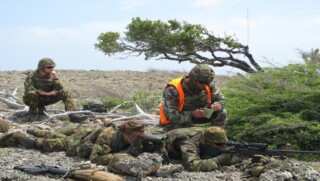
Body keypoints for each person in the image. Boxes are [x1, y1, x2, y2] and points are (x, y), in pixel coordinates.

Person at [0, 120, 145, 166]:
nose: (138, 139)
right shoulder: (108, 136)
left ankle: (34, 130)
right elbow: (94, 158)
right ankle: (19, 136)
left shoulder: (133, 138)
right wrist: (121, 156)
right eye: (135, 136)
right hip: (78, 141)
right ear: (126, 132)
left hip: (84, 133)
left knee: (55, 135)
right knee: (46, 144)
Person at [159, 64, 227, 131]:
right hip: (177, 121)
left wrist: (218, 105)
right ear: (192, 79)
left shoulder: (208, 85)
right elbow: (170, 115)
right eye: (202, 82)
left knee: (222, 112)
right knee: (188, 137)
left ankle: (217, 136)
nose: (205, 85)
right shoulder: (173, 89)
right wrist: (192, 114)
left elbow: (221, 99)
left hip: (199, 117)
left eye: (208, 82)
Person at [23, 58, 87, 122]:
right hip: (32, 100)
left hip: (46, 99)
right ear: (42, 67)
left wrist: (56, 78)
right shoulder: (31, 76)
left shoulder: (52, 76)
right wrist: (47, 93)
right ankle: (33, 113)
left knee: (65, 92)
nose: (51, 69)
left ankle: (73, 115)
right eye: (49, 67)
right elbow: (29, 89)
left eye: (52, 67)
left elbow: (59, 89)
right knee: (32, 93)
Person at [164, 126, 240, 172]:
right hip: (163, 146)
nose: (223, 146)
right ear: (206, 142)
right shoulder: (189, 142)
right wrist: (219, 160)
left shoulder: (210, 134)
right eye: (219, 144)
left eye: (225, 143)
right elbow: (191, 166)